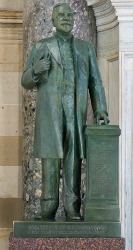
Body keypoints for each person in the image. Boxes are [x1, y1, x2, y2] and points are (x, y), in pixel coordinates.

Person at [21, 2, 109, 221]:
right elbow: (25, 81)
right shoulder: (42, 46)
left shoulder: (85, 48)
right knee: (50, 159)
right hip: (50, 115)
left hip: (75, 115)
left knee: (73, 160)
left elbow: (95, 82)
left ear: (74, 19)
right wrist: (36, 70)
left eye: (70, 15)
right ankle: (48, 207)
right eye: (61, 15)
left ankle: (72, 208)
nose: (66, 18)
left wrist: (100, 110)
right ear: (53, 20)